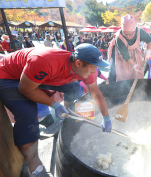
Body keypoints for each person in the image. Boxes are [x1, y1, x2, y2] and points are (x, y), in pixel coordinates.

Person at [0, 44, 112, 177]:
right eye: (93, 67)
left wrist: (106, 118)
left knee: (74, 88)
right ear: (78, 63)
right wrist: (55, 105)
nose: (95, 71)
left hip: (34, 76)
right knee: (28, 112)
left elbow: (96, 93)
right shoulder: (45, 62)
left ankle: (67, 117)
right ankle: (32, 164)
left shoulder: (82, 68)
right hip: (9, 77)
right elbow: (24, 89)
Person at [107, 14, 151, 82]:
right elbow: (125, 55)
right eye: (126, 34)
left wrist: (148, 52)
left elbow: (150, 40)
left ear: (135, 30)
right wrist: (134, 66)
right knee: (117, 72)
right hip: (121, 54)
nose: (129, 36)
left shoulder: (140, 32)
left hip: (135, 52)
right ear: (122, 30)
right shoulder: (118, 38)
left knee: (136, 74)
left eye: (131, 34)